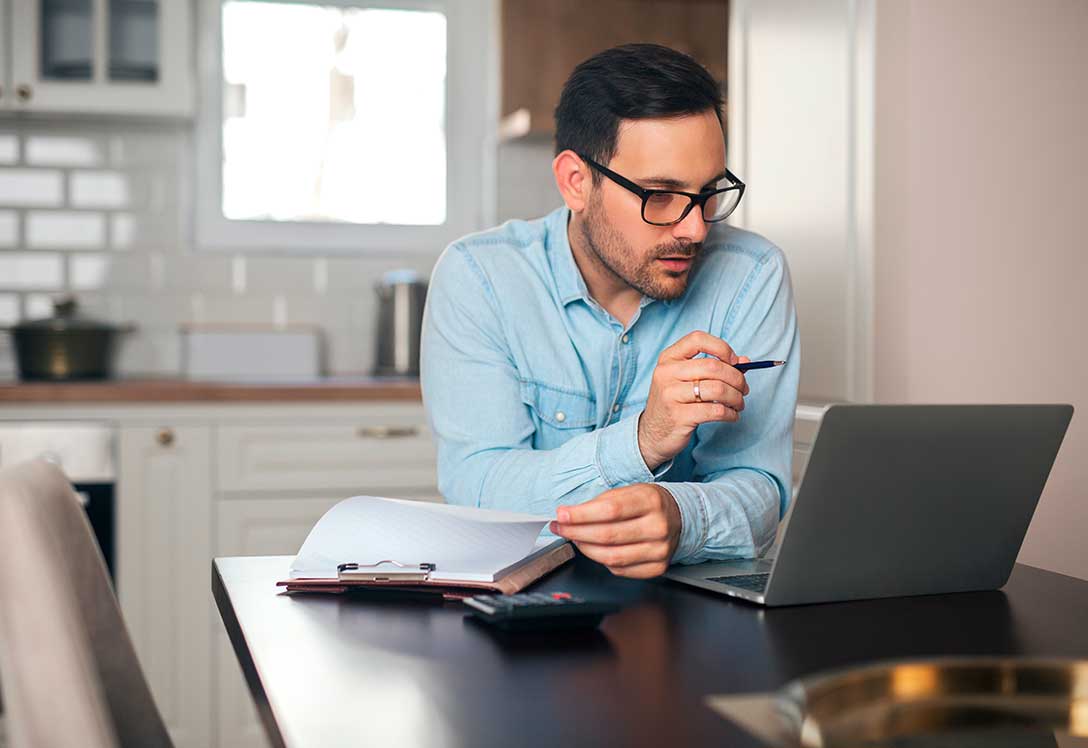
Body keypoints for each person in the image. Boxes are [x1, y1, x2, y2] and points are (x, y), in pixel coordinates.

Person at [421, 43, 799, 579]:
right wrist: (642, 440)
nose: (694, 228)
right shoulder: (480, 277)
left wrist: (682, 518)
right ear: (577, 181)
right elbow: (479, 490)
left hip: (688, 616)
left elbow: (758, 483)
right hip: (521, 618)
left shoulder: (751, 275)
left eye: (708, 192)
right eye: (661, 195)